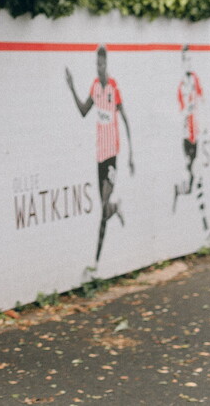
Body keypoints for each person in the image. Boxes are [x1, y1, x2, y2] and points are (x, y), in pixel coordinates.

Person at [65, 44, 134, 265]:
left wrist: (131, 154)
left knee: (103, 205)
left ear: (107, 64)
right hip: (99, 156)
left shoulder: (113, 87)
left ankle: (95, 261)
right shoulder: (95, 87)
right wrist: (72, 86)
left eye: (101, 63)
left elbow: (124, 118)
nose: (98, 67)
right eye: (96, 63)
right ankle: (115, 208)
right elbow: (84, 111)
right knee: (103, 208)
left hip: (112, 154)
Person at [173, 44, 208, 231]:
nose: (189, 62)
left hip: (197, 136)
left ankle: (204, 221)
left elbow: (203, 100)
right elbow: (179, 114)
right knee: (192, 180)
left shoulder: (195, 80)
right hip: (187, 139)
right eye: (186, 59)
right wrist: (187, 110)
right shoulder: (181, 86)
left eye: (190, 58)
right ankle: (179, 192)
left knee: (198, 176)